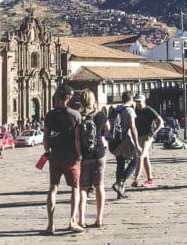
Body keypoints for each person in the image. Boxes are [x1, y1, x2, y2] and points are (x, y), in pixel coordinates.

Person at [43, 85, 84, 234]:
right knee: (75, 188)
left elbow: (45, 137)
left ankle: (50, 224)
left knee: (53, 188)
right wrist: (79, 155)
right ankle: (72, 221)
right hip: (71, 157)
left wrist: (47, 151)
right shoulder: (76, 115)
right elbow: (77, 139)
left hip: (55, 156)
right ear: (70, 97)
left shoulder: (50, 115)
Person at [75, 89, 108, 228]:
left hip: (85, 155)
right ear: (93, 100)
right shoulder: (100, 115)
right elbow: (108, 128)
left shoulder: (79, 117)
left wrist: (79, 154)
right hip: (99, 153)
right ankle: (99, 219)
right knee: (99, 185)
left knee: (83, 187)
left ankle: (81, 219)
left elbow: (77, 139)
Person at [109, 91, 140, 198]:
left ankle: (120, 191)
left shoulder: (116, 109)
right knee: (135, 161)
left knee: (120, 164)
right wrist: (137, 144)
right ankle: (120, 183)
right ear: (131, 99)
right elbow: (133, 128)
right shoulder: (129, 110)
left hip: (114, 141)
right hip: (125, 140)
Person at [131, 94, 162, 188]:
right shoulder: (134, 110)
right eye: (136, 102)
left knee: (140, 156)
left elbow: (160, 121)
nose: (138, 103)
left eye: (139, 101)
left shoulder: (148, 110)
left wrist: (154, 132)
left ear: (143, 101)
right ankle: (150, 179)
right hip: (138, 137)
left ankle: (136, 179)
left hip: (147, 137)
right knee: (145, 158)